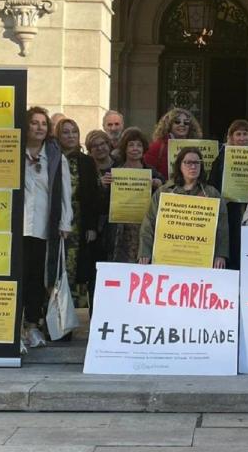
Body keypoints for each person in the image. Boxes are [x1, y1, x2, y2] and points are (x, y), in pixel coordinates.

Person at [22, 107, 73, 349]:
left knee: (37, 278)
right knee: (17, 276)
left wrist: (65, 222)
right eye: (34, 122)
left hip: (44, 228)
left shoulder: (55, 157)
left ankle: (32, 326)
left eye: (43, 123)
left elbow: (65, 193)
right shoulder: (12, 152)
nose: (40, 127)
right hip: (17, 227)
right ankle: (13, 328)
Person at [139, 147, 229, 268]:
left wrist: (220, 254)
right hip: (167, 257)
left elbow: (222, 227)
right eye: (188, 162)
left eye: (197, 163)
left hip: (200, 258)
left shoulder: (212, 194)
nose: (193, 167)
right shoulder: (164, 192)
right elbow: (149, 223)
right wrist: (145, 251)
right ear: (179, 166)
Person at [55, 118, 104, 327]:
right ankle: (56, 318)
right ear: (58, 135)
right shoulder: (53, 158)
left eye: (74, 132)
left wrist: (92, 226)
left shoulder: (86, 161)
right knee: (57, 268)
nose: (71, 136)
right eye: (65, 132)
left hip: (79, 222)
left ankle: (71, 317)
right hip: (56, 223)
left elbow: (93, 196)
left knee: (76, 269)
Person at [208, 120, 248, 269]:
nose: (242, 138)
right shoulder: (221, 157)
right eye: (238, 134)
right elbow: (213, 182)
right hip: (229, 208)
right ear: (231, 137)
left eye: (245, 134)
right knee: (231, 242)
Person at [108, 127, 164, 263]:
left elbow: (166, 196)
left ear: (144, 148)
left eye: (139, 145)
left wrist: (159, 185)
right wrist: (104, 185)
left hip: (144, 228)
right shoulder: (115, 171)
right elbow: (103, 202)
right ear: (124, 148)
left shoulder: (151, 172)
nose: (135, 148)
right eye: (131, 145)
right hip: (120, 229)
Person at [144, 108, 202, 182]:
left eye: (186, 123)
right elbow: (148, 171)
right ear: (169, 125)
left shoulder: (198, 147)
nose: (182, 125)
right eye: (177, 122)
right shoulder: (157, 147)